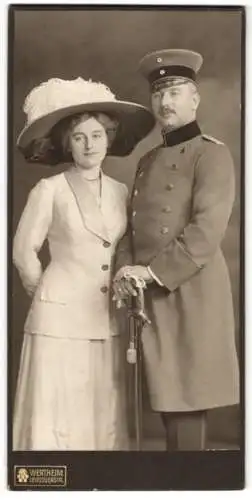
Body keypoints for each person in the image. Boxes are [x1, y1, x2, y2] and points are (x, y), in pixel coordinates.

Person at [12, 76, 155, 451]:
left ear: (109, 139)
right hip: (58, 318)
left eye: (96, 135)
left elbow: (125, 247)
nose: (89, 144)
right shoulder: (49, 190)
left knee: (99, 408)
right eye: (79, 137)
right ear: (67, 145)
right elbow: (24, 251)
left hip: (106, 313)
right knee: (57, 408)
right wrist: (46, 290)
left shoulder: (122, 192)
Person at [113, 49, 240, 451]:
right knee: (167, 400)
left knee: (187, 401)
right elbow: (132, 228)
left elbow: (205, 232)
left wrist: (149, 274)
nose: (165, 102)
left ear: (194, 99)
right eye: (158, 93)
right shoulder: (148, 160)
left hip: (189, 290)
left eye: (174, 91)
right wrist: (124, 270)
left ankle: (189, 485)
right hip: (148, 294)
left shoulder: (212, 154)